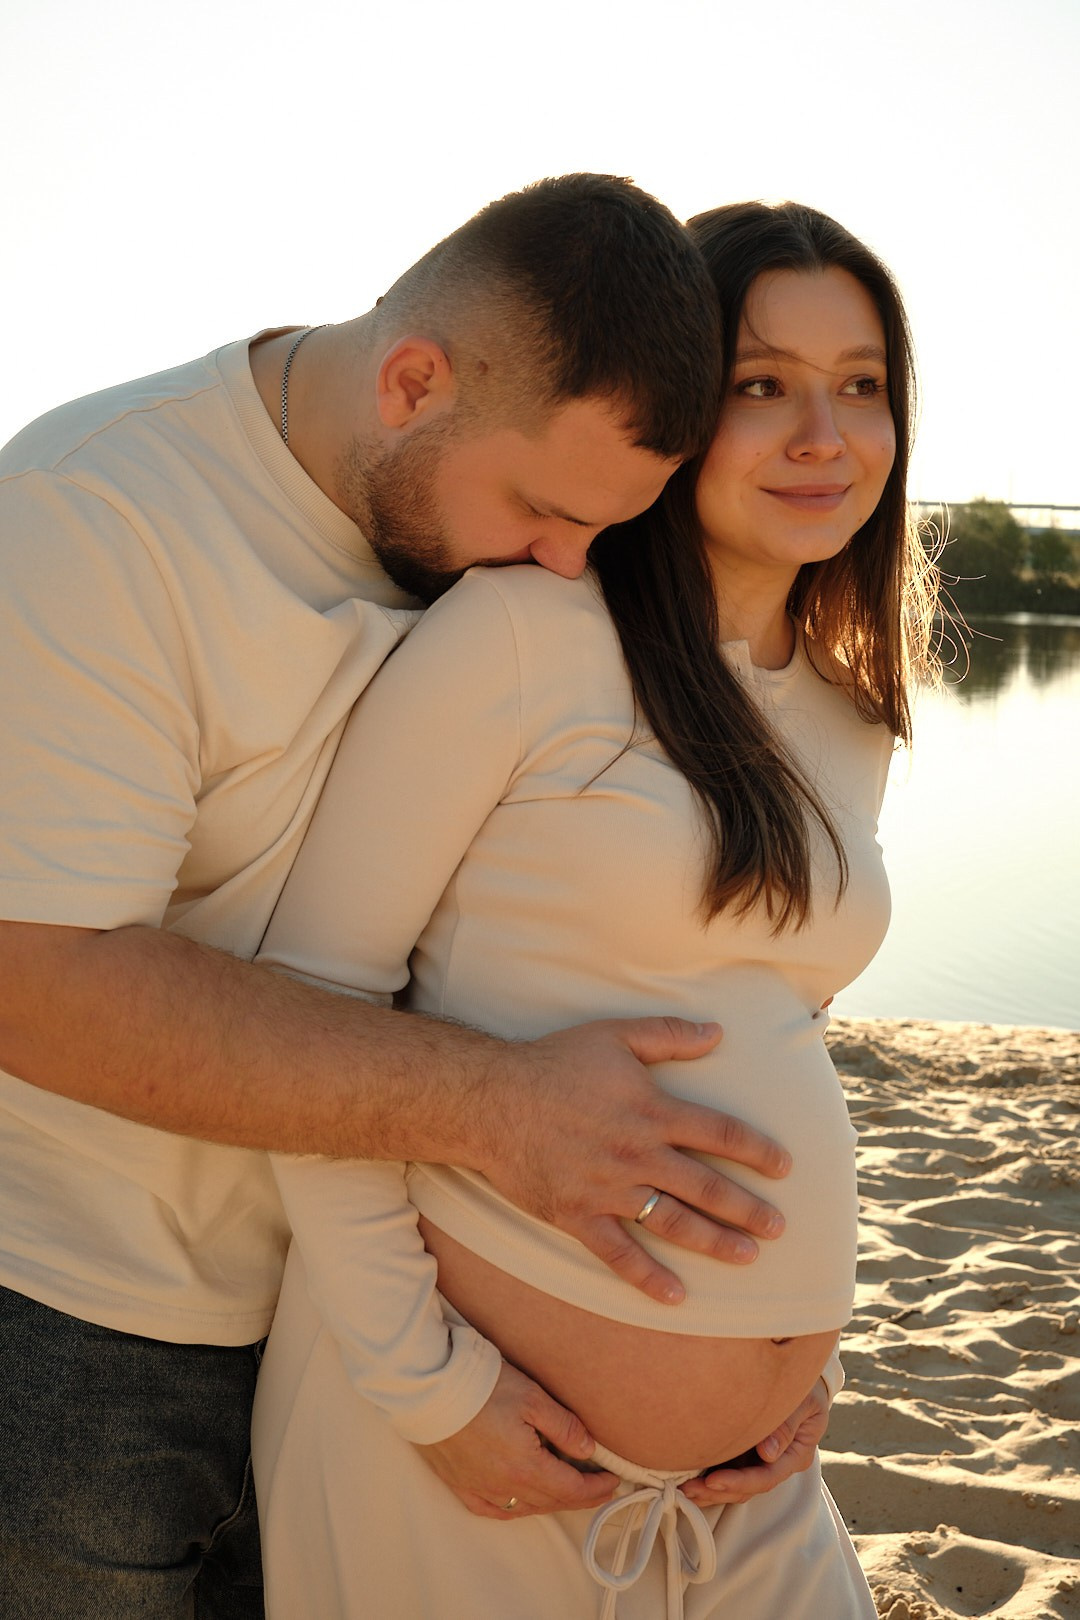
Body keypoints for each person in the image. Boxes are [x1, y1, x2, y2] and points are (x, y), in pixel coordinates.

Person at [0, 175, 800, 1619]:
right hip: (85, 1339)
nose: (566, 566)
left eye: (603, 536)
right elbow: (40, 982)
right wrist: (493, 1105)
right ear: (412, 379)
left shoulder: (470, 537)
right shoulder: (96, 518)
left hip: (345, 1325)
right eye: (548, 511)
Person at [251, 200, 942, 1618]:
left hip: (750, 1483)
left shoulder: (848, 710)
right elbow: (309, 1025)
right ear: (676, 411)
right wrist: (426, 1389)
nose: (825, 432)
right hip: (460, 1439)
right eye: (764, 387)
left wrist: (798, 1359)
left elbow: (773, 1025)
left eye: (861, 384)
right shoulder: (521, 639)